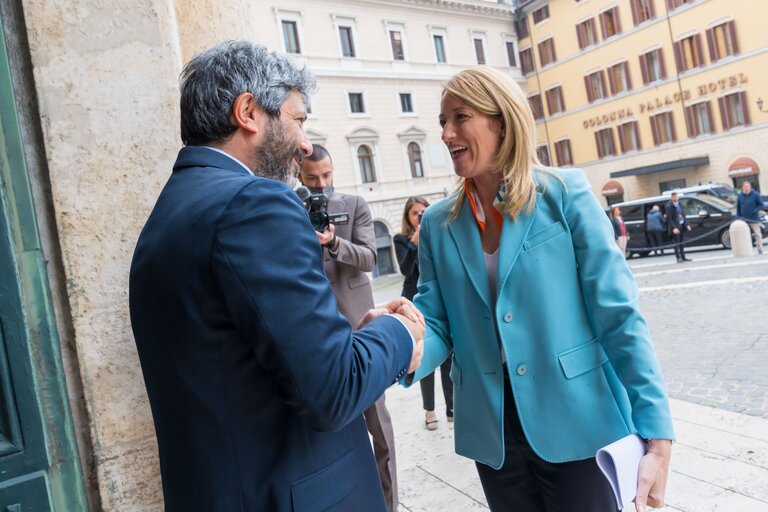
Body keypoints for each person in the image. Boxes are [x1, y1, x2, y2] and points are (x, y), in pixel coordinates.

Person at [129, 41, 425, 512]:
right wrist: (399, 334)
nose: (305, 144)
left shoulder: (168, 213)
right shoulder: (255, 203)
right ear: (248, 111)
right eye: (298, 120)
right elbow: (332, 390)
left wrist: (349, 344)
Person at [404, 67, 674, 512]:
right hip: (491, 429)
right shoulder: (437, 223)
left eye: (460, 117)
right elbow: (436, 320)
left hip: (579, 418)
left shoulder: (564, 193)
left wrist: (657, 436)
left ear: (502, 121)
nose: (446, 133)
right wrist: (403, 343)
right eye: (442, 122)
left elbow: (618, 314)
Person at [299, 144, 399, 512]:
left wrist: (334, 242)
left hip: (360, 325)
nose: (321, 184)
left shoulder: (355, 205)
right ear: (300, 176)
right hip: (318, 329)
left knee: (380, 429)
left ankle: (390, 505)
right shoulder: (292, 208)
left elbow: (370, 257)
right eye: (312, 179)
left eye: (326, 176)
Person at [394, 197, 453, 431]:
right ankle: (430, 410)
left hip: (438, 299)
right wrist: (414, 243)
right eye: (414, 213)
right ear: (408, 218)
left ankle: (451, 407)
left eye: (423, 211)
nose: (420, 215)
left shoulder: (437, 233)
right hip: (413, 303)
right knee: (424, 354)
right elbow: (405, 270)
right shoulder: (401, 240)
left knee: (447, 358)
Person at [736, 181, 765, 254]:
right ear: (742, 187)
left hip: (754, 218)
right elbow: (738, 207)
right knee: (743, 234)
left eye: (748, 186)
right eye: (745, 187)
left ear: (750, 187)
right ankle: (745, 248)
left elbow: (761, 205)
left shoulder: (755, 194)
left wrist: (755, 211)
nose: (746, 188)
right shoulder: (740, 196)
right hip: (743, 218)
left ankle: (760, 248)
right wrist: (738, 217)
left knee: (757, 234)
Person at [665, 192, 692, 263]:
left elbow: (683, 215)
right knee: (676, 243)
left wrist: (687, 225)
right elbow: (669, 218)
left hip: (682, 225)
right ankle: (678, 258)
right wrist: (674, 228)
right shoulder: (669, 206)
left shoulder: (680, 204)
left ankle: (683, 257)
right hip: (675, 227)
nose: (676, 198)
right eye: (674, 197)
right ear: (672, 198)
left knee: (682, 242)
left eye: (677, 197)